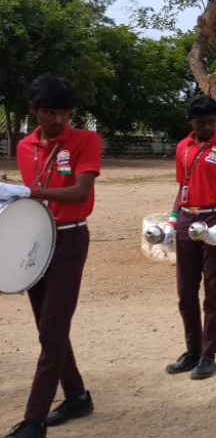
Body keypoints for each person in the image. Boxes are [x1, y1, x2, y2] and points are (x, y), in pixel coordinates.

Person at [1, 74, 101, 438]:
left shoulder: (85, 140)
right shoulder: (25, 146)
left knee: (54, 328)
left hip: (70, 240)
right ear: (34, 109)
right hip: (35, 239)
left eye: (63, 112)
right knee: (48, 328)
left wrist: (30, 192)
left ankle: (34, 420)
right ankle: (77, 397)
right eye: (50, 112)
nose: (58, 119)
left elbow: (80, 191)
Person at [163, 95, 216, 380]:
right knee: (185, 291)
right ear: (191, 122)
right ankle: (192, 350)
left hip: (215, 219)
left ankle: (209, 354)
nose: (207, 127)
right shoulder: (182, 148)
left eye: (211, 122)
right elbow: (182, 187)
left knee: (212, 290)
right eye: (201, 123)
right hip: (188, 218)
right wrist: (173, 220)